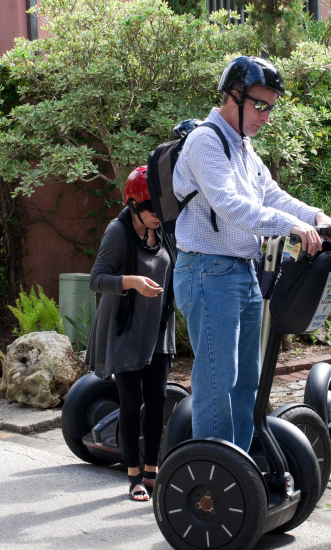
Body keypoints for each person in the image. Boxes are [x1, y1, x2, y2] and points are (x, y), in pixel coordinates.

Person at [172, 56, 331, 453]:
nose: (265, 116)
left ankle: (240, 468)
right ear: (234, 96)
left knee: (248, 378)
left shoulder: (243, 147)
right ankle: (212, 477)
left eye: (271, 108)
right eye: (260, 105)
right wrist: (291, 227)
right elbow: (230, 205)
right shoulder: (205, 141)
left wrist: (315, 216)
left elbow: (271, 196)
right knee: (218, 378)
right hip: (207, 270)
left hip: (242, 272)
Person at [85, 166, 176, 501]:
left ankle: (153, 471)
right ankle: (134, 475)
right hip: (124, 329)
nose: (158, 215)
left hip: (157, 328)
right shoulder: (117, 231)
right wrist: (131, 282)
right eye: (152, 209)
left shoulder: (163, 230)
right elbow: (96, 279)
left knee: (157, 402)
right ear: (134, 204)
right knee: (131, 403)